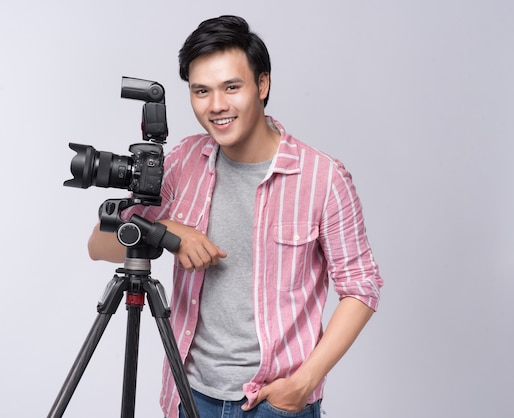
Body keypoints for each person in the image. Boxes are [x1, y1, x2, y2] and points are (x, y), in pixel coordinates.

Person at [88, 15, 383, 418]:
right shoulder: (181, 161)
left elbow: (361, 286)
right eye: (201, 91)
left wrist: (304, 383)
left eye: (231, 87)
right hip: (188, 393)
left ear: (262, 84)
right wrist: (166, 231)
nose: (216, 106)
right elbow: (100, 244)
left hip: (275, 403)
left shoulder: (323, 178)